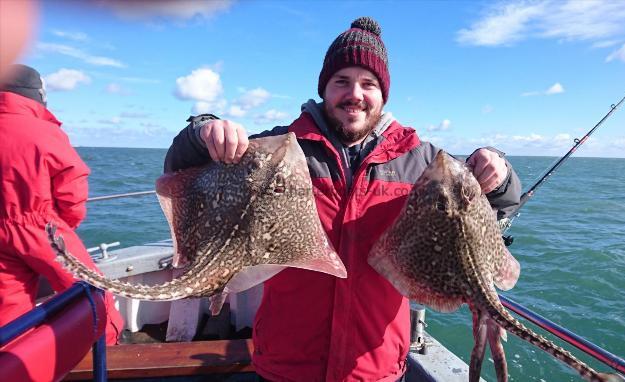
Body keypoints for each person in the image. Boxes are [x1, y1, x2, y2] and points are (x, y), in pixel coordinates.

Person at [165, 17, 521, 381]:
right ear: (325, 89)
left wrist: (499, 169)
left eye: (368, 84)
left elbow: (497, 205)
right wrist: (203, 130)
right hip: (287, 363)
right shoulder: (279, 149)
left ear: (383, 94)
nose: (355, 94)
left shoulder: (423, 162)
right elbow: (182, 169)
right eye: (342, 82)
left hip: (375, 367)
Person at [0, 64, 123, 345]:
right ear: (37, 95)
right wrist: (66, 223)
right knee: (90, 294)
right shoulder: (44, 131)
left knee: (8, 311)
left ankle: (13, 364)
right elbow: (72, 188)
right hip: (41, 227)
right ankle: (108, 348)